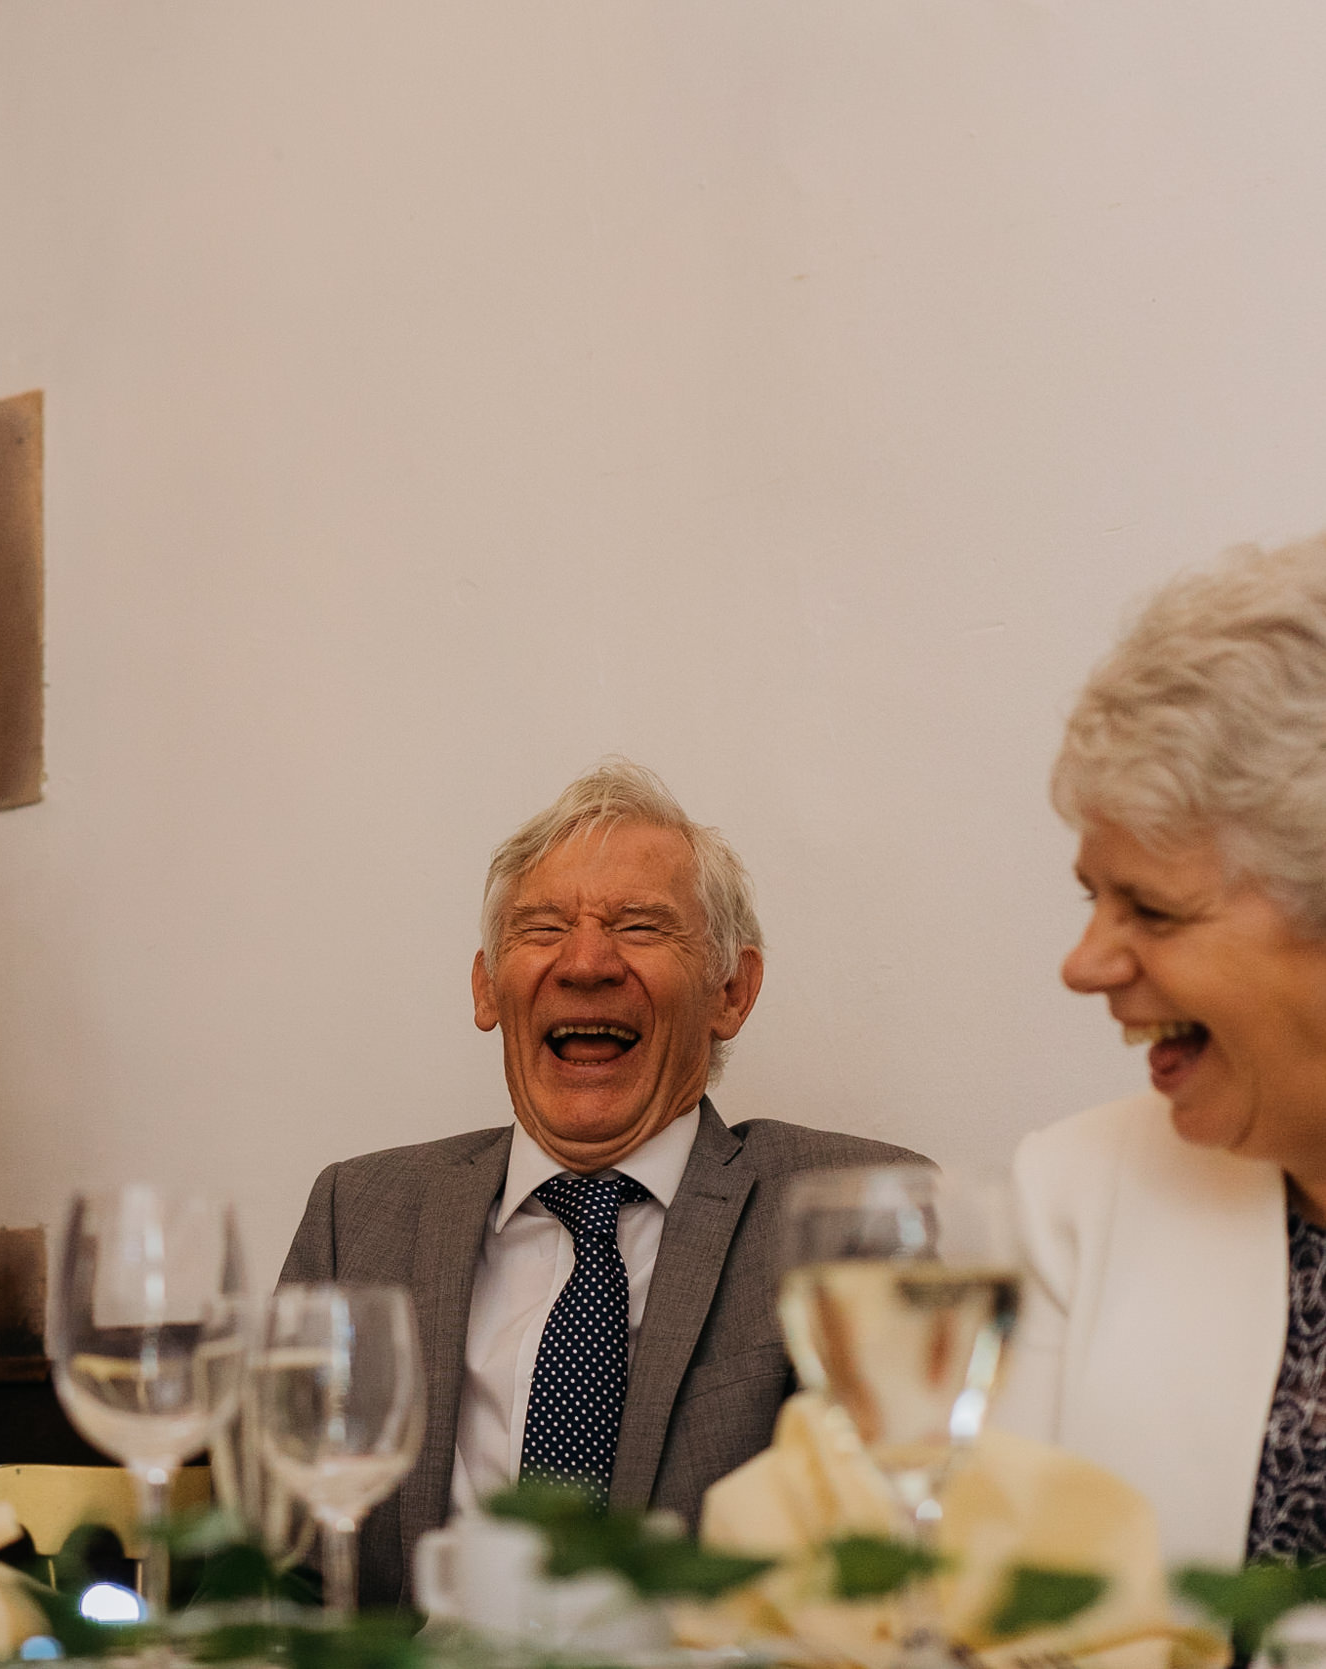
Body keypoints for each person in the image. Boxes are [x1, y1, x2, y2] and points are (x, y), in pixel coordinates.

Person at [280, 760, 918, 1604]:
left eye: (641, 927)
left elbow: (894, 1568)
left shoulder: (854, 1205)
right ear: (486, 987)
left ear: (732, 991)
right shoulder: (357, 1214)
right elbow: (274, 1565)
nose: (586, 961)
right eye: (541, 929)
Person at [993, 537, 1326, 1566]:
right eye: (1094, 897)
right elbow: (997, 1609)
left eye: (1153, 909)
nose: (1084, 965)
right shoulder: (1072, 1195)